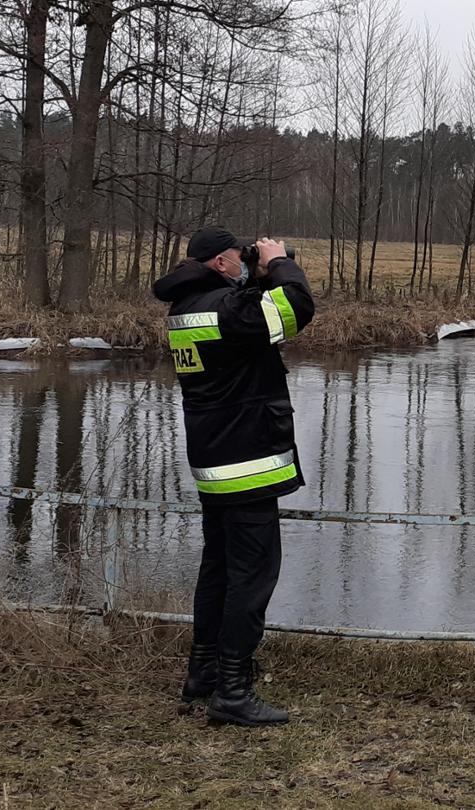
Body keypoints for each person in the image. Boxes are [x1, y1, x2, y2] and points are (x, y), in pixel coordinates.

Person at [151, 226, 314, 727]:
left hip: (214, 460)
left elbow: (246, 321)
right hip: (248, 461)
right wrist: (279, 262)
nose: (246, 262)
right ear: (221, 262)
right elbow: (295, 307)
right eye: (238, 257)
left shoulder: (187, 309)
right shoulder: (226, 309)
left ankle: (203, 672)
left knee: (218, 569)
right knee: (252, 576)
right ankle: (234, 691)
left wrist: (256, 274)